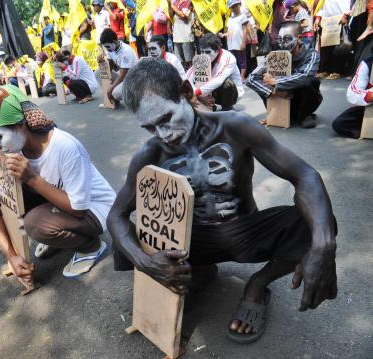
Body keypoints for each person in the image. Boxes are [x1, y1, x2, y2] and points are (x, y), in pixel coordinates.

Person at [107, 57, 338, 344]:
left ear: (187, 92)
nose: (163, 135)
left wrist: (324, 246)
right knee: (128, 235)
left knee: (316, 220)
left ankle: (258, 284)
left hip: (244, 233)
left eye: (165, 119)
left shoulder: (235, 127)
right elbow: (116, 215)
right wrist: (145, 261)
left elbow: (305, 175)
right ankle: (197, 272)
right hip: (190, 243)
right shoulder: (150, 154)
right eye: (150, 128)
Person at [0, 85, 116, 279]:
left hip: (97, 208)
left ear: (20, 125)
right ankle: (59, 233)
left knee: (34, 223)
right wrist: (11, 256)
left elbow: (79, 209)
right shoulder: (7, 152)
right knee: (15, 197)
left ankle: (91, 247)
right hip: (63, 203)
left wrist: (32, 178)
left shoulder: (65, 146)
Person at [247, 22, 322, 128]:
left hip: (302, 100)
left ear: (299, 38)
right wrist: (272, 91)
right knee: (263, 80)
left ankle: (304, 115)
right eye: (280, 40)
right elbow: (251, 78)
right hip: (281, 97)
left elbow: (305, 76)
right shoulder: (274, 56)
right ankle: (276, 113)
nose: (282, 44)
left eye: (287, 39)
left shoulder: (311, 54)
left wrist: (276, 82)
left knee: (312, 81)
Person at [185, 33, 244, 111]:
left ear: (218, 49)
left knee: (226, 83)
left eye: (207, 52)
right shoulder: (202, 58)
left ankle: (227, 108)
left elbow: (218, 80)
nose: (204, 55)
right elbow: (187, 77)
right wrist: (197, 96)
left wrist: (196, 93)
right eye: (202, 51)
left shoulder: (228, 58)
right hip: (209, 92)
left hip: (232, 93)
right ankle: (209, 104)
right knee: (195, 80)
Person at [332, 55, 373, 138]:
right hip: (371, 104)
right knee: (339, 124)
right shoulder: (367, 64)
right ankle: (365, 132)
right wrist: (370, 95)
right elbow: (352, 93)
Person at [99, 28, 139, 105]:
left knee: (115, 92)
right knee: (100, 72)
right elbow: (109, 65)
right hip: (123, 76)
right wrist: (106, 75)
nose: (107, 49)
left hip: (133, 79)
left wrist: (110, 89)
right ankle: (112, 102)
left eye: (107, 46)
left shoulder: (126, 51)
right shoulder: (111, 49)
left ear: (114, 42)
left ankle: (134, 97)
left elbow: (122, 75)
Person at [314, 0, 352, 80]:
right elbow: (321, 7)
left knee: (338, 47)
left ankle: (336, 71)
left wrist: (345, 16)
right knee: (325, 47)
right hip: (326, 22)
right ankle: (325, 70)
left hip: (339, 20)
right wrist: (318, 19)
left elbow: (348, 5)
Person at [221, 0, 248, 79]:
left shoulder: (243, 16)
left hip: (239, 42)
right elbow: (229, 31)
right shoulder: (230, 19)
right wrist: (224, 35)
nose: (235, 8)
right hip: (231, 43)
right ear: (230, 8)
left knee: (242, 60)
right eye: (232, 7)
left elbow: (245, 30)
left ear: (239, 4)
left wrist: (243, 42)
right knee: (233, 60)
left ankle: (242, 76)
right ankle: (235, 75)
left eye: (236, 5)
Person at [168, 0, 194, 69]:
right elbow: (171, 15)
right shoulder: (175, 2)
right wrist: (169, 4)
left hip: (186, 36)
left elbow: (184, 15)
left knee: (188, 60)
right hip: (176, 35)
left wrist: (173, 6)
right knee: (179, 60)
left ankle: (190, 76)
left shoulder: (189, 2)